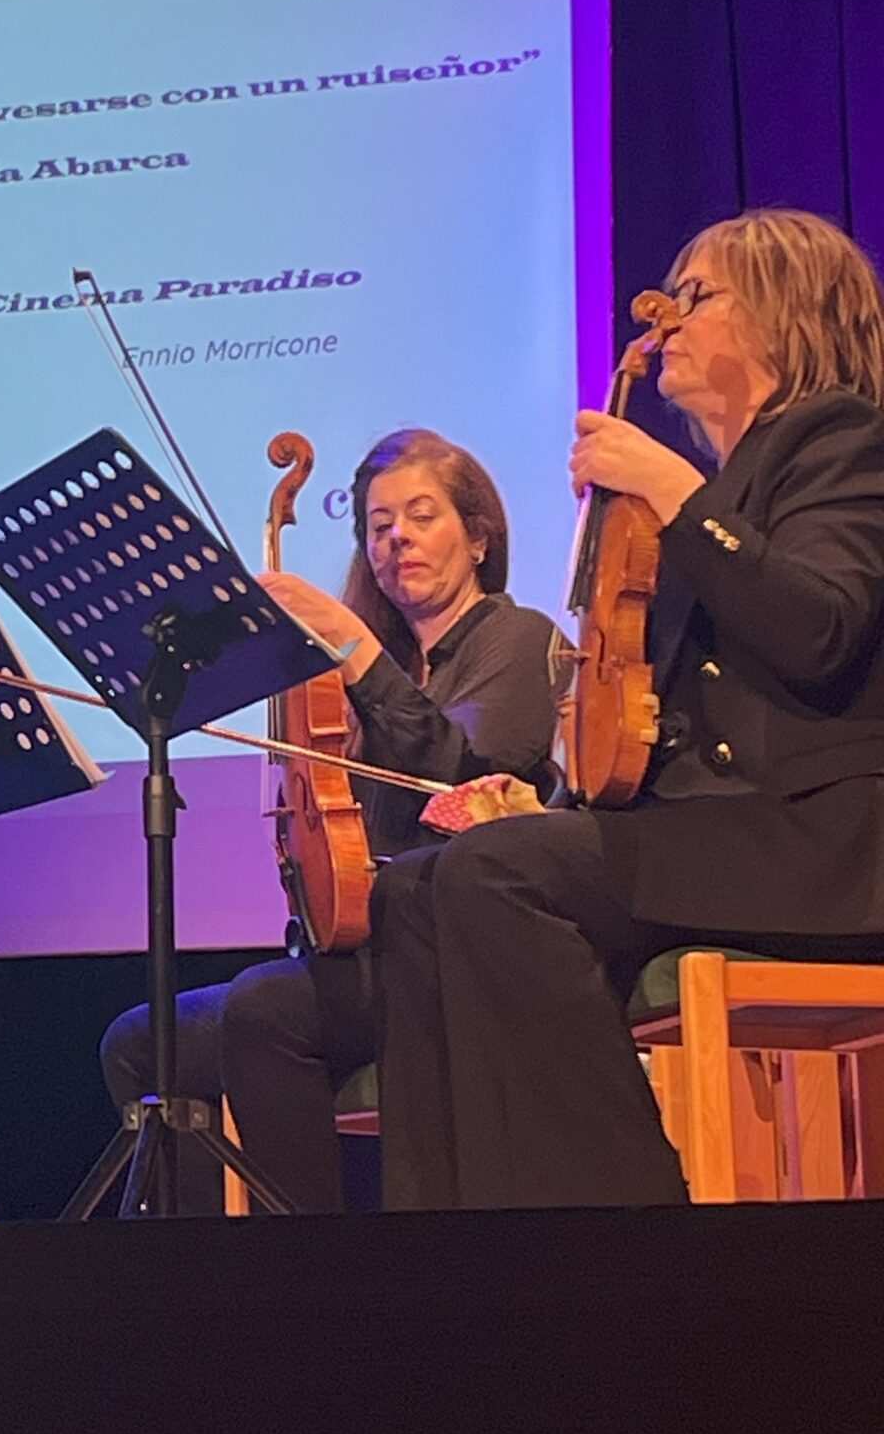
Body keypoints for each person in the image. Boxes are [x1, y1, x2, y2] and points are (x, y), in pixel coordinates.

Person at [373, 207, 884, 1211]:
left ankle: (631, 1232)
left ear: (785, 310)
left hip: (809, 845)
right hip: (707, 834)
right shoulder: (725, 483)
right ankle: (446, 1239)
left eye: (696, 296)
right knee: (416, 891)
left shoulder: (843, 441)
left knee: (502, 875)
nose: (662, 322)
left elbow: (820, 629)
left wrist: (672, 490)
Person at [98, 427, 561, 1213]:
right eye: (379, 525)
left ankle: (311, 1259)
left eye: (421, 517)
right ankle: (199, 1270)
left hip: (453, 961)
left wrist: (355, 653)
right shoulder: (370, 672)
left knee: (264, 1010)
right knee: (141, 1046)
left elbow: (464, 777)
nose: (397, 538)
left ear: (479, 539)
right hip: (364, 955)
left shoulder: (517, 640)